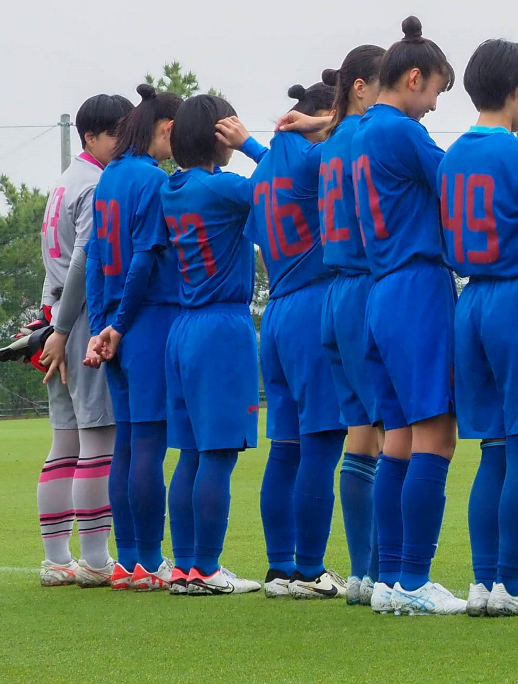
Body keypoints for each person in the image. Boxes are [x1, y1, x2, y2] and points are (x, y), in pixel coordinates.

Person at [439, 38, 518, 617]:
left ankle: (484, 583)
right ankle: (512, 587)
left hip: (472, 303)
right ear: (517, 92)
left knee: (492, 450)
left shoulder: (450, 159)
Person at [351, 18, 467, 616]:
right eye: (437, 93)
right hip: (418, 286)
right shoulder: (402, 131)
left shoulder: (362, 130)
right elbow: (461, 182)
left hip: (381, 290)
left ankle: (392, 580)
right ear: (414, 78)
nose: (433, 107)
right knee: (436, 435)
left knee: (396, 437)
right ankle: (415, 579)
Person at [160, 94, 268, 596]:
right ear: (215, 135)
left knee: (189, 452)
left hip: (181, 327)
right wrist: (251, 147)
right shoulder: (222, 188)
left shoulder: (172, 189)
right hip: (221, 327)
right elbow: (282, 185)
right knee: (219, 453)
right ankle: (206, 567)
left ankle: (184, 567)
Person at [247, 82, 348, 600]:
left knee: (284, 449)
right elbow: (356, 145)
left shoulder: (264, 169)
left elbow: (279, 165)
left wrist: (249, 145)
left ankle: (280, 566)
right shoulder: (316, 157)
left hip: (277, 312)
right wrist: (325, 127)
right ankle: (310, 569)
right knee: (323, 447)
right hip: (313, 307)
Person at [82, 85, 181, 593]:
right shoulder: (152, 180)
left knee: (127, 444)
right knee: (148, 444)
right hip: (147, 321)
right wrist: (119, 324)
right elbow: (144, 258)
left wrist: (102, 326)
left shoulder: (110, 177)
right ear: (165, 129)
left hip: (116, 325)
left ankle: (126, 561)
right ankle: (148, 561)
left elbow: (98, 258)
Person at [36, 93, 133, 587]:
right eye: (118, 132)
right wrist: (65, 329)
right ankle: (96, 559)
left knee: (66, 442)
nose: (125, 141)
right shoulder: (96, 185)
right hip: (78, 323)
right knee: (97, 440)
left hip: (57, 319)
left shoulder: (62, 183)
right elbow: (82, 262)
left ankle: (57, 559)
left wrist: (50, 323)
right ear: (92, 136)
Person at [317, 45, 388, 605]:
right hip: (369, 285)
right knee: (393, 431)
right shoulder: (373, 135)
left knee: (359, 433)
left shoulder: (331, 143)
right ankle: (387, 572)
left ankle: (363, 570)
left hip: (333, 290)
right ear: (362, 86)